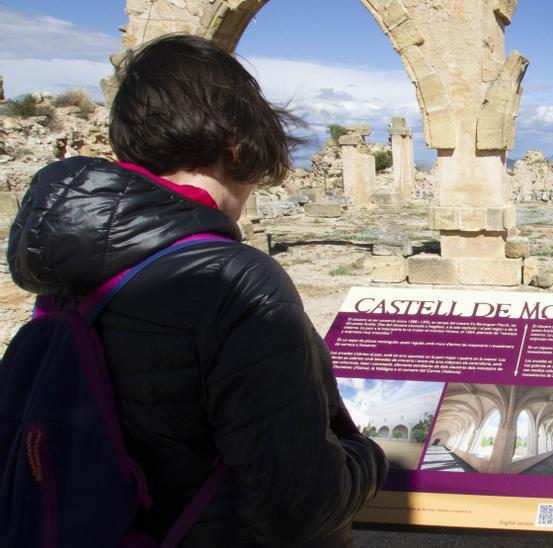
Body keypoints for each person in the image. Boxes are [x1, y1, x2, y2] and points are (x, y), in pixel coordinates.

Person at [7, 35, 386, 546]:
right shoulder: (235, 278)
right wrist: (371, 456)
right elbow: (296, 508)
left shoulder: (75, 262)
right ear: (238, 141)